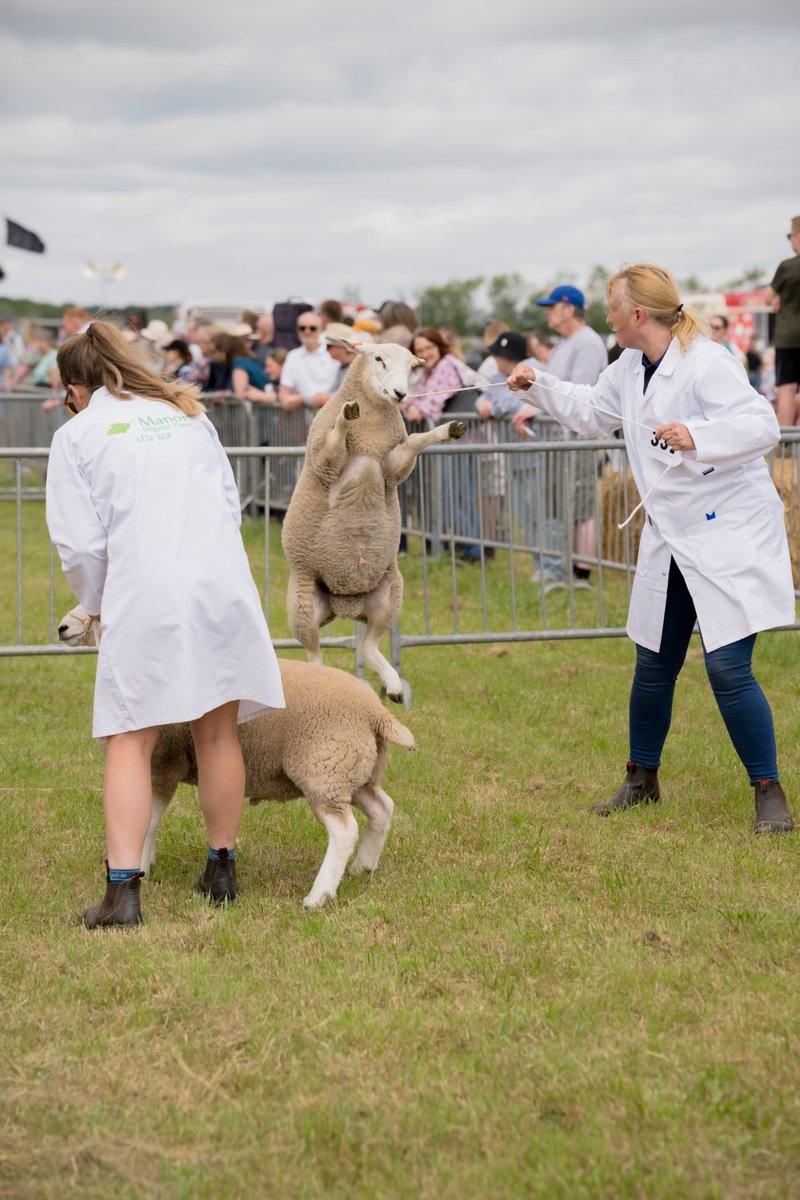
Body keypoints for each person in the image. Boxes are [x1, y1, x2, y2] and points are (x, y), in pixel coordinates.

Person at [508, 262, 795, 835]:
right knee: (653, 662)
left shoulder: (707, 362)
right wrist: (538, 383)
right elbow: (594, 411)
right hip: (671, 537)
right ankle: (642, 780)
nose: (607, 317)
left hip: (727, 535)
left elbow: (761, 423)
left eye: (612, 308)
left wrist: (699, 436)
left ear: (636, 314)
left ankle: (769, 792)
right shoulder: (630, 367)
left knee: (728, 668)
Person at [45, 321, 284, 928]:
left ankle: (123, 894)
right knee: (217, 732)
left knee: (131, 735)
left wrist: (97, 602)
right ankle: (221, 870)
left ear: (76, 385)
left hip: (145, 588)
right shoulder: (188, 414)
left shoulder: (79, 434)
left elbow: (79, 543)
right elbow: (229, 504)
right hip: (219, 583)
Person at [764, 215, 800, 427]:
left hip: (788, 336)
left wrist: (777, 299)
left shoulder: (788, 266)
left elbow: (768, 297)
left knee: (787, 387)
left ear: (797, 236)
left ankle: (786, 439)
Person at [278, 312, 339, 415]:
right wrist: (286, 400)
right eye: (302, 328)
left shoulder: (331, 353)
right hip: (303, 421)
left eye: (312, 328)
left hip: (332, 414)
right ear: (297, 330)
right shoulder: (293, 356)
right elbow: (285, 388)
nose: (307, 331)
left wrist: (324, 398)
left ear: (320, 329)